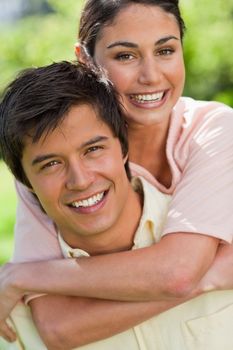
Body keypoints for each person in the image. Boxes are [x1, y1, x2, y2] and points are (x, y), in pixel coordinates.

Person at [1, 0, 233, 347]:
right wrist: (211, 275)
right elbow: (57, 326)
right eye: (125, 56)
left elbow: (178, 272)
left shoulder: (213, 130)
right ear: (86, 60)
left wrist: (23, 276)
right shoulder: (57, 165)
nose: (151, 76)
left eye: (166, 50)